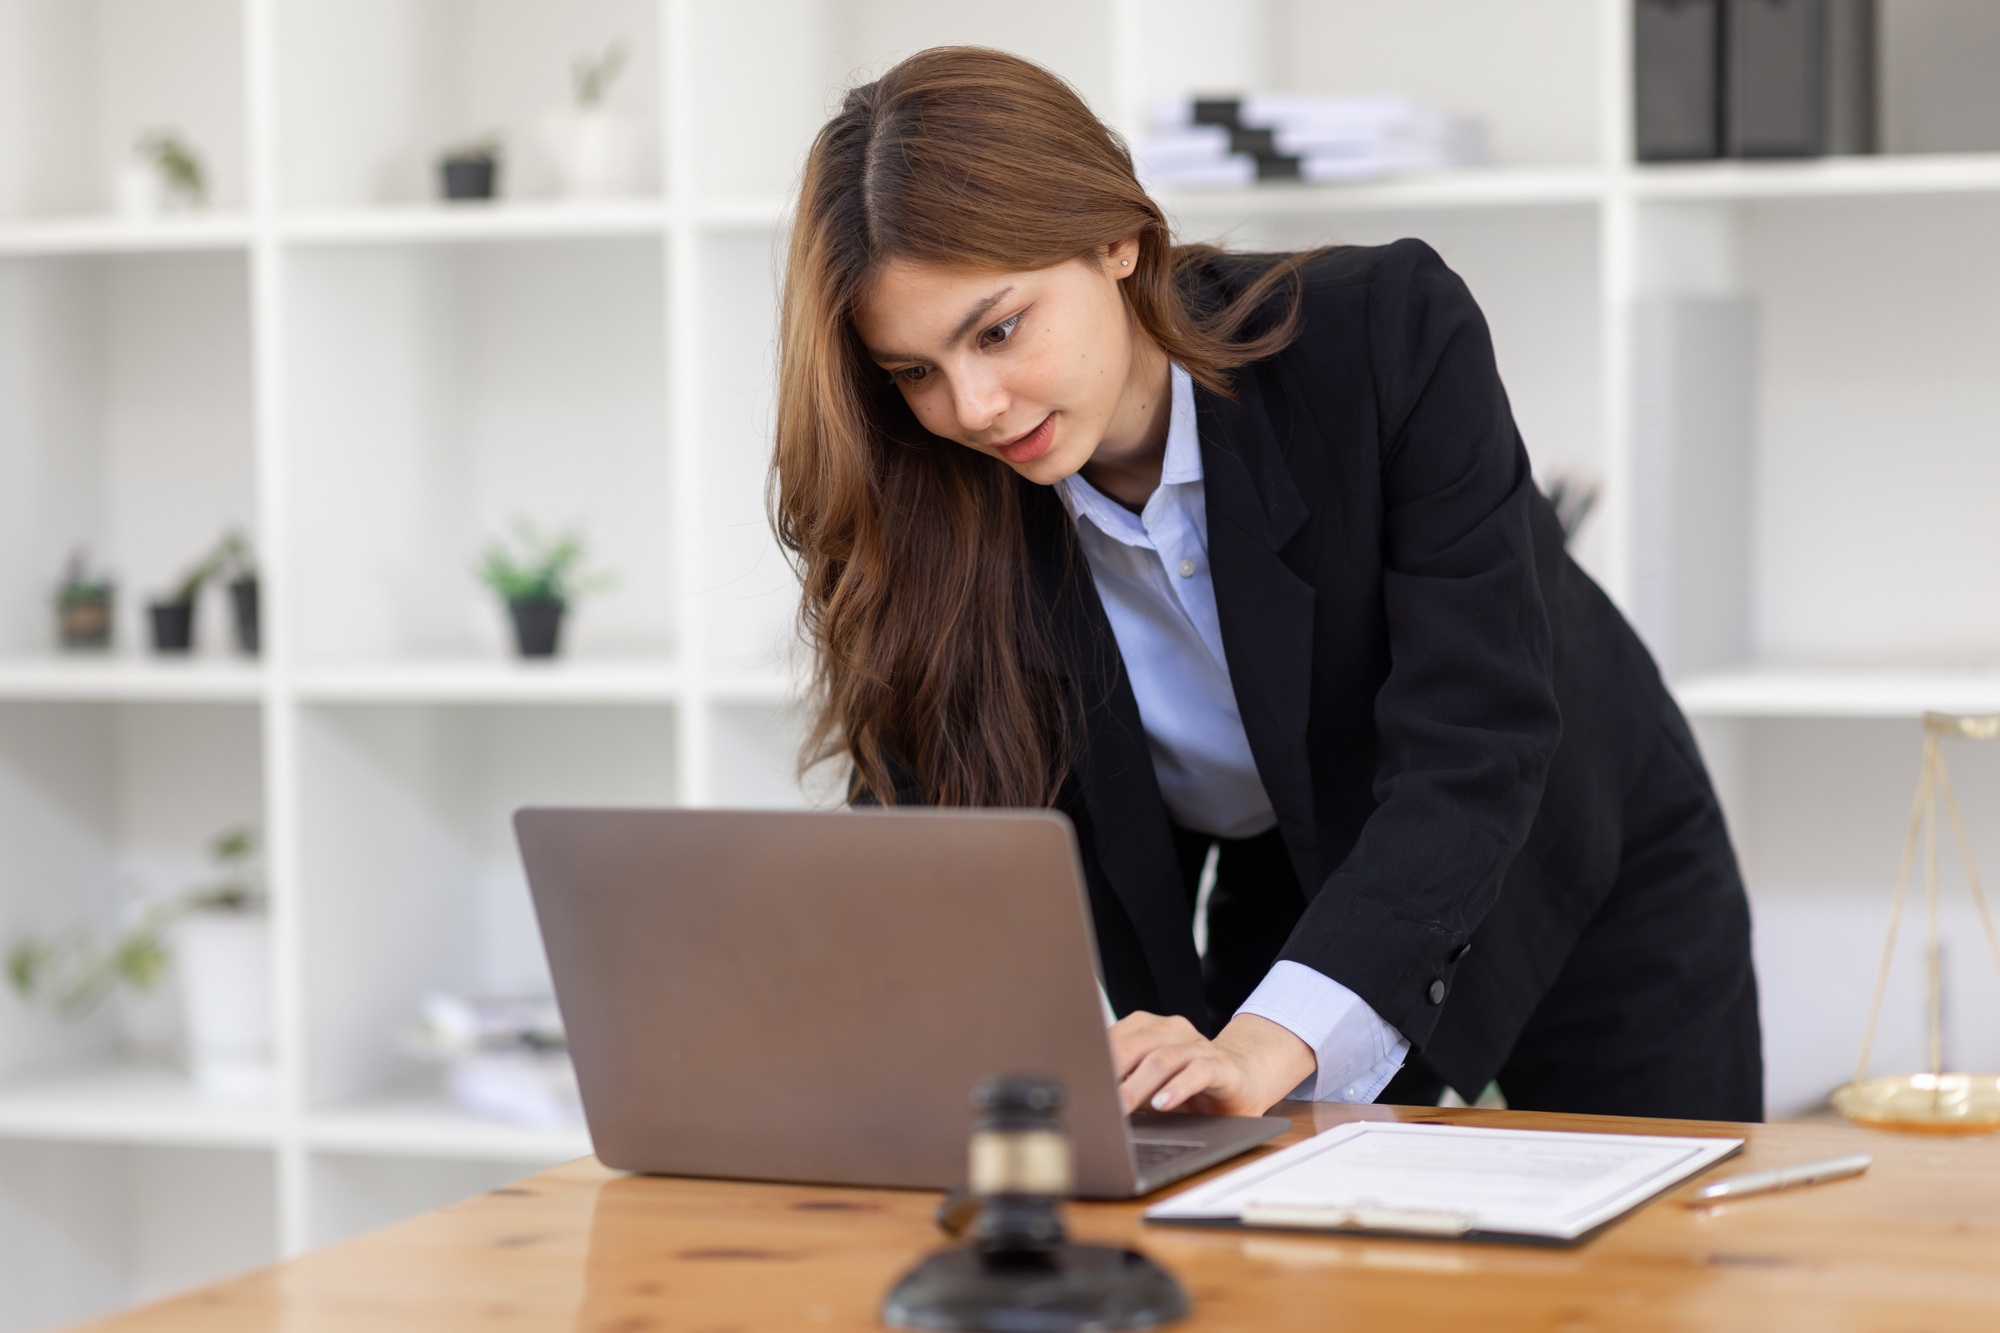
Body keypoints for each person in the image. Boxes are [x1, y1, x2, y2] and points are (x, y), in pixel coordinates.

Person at [770, 47, 1762, 1123]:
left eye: (998, 329)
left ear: (1117, 238)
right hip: (1289, 880)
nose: (973, 405)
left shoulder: (1383, 336)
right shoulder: (927, 492)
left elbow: (1474, 745)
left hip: (1568, 842)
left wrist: (1262, 1043)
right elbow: (931, 844)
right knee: (1274, 1249)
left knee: (1662, 1265)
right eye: (913, 371)